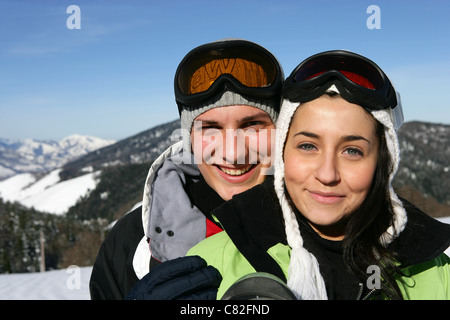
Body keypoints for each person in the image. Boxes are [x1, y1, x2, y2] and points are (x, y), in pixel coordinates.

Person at [187, 50, 450, 300]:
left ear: (383, 162)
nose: (327, 175)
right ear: (283, 153)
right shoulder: (208, 267)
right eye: (308, 146)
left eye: (352, 151)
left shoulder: (435, 272)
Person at [89, 38, 284, 299]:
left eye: (252, 125)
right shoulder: (133, 240)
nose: (233, 153)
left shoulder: (323, 222)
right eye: (210, 129)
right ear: (190, 139)